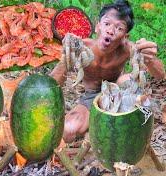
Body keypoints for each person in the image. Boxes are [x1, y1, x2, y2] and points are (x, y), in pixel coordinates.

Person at [50, 0, 165, 143]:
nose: (111, 30)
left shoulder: (128, 48)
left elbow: (160, 75)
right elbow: (53, 85)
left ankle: (125, 123)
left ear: (125, 37)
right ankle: (99, 121)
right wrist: (66, 59)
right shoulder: (81, 47)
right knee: (67, 130)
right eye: (107, 24)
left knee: (126, 80)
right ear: (98, 26)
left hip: (116, 92)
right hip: (90, 97)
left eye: (119, 28)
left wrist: (150, 59)